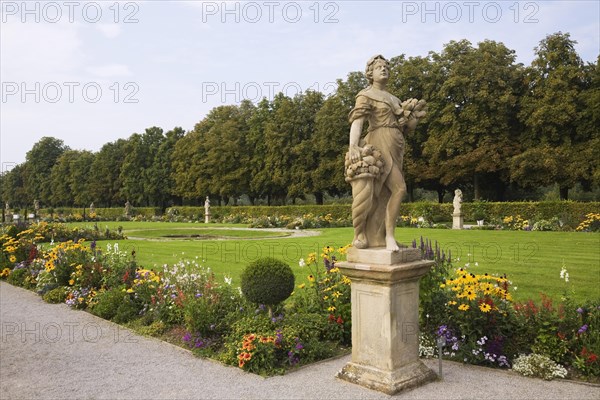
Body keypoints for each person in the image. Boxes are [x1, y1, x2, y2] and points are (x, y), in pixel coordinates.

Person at [347, 55, 426, 251]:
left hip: (396, 144)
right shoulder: (366, 95)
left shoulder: (394, 99)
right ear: (370, 74)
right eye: (379, 67)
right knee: (397, 189)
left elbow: (407, 128)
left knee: (384, 194)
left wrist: (412, 118)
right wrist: (353, 146)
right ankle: (385, 236)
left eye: (386, 67)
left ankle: (380, 237)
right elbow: (358, 121)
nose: (383, 69)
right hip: (379, 143)